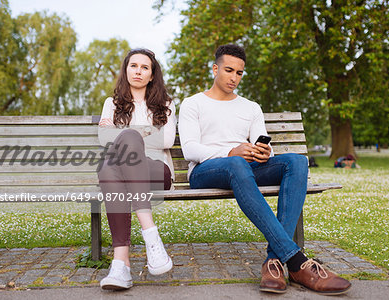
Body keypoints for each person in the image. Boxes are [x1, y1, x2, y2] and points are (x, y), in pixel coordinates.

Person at [178, 44, 351, 295]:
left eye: (239, 73)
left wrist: (263, 153)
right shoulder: (193, 103)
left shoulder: (251, 107)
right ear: (215, 69)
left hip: (244, 169)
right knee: (237, 163)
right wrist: (231, 152)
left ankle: (273, 262)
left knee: (297, 161)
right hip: (205, 170)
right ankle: (296, 262)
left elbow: (263, 143)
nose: (234, 77)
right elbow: (190, 149)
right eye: (229, 70)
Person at [97, 48, 175, 290]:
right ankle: (125, 261)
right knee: (109, 169)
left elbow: (167, 141)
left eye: (144, 67)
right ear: (126, 70)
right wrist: (144, 133)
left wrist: (124, 133)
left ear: (152, 75)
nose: (138, 71)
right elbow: (103, 139)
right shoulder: (111, 103)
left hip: (157, 172)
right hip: (121, 174)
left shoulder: (166, 104)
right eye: (133, 66)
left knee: (127, 141)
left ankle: (126, 260)